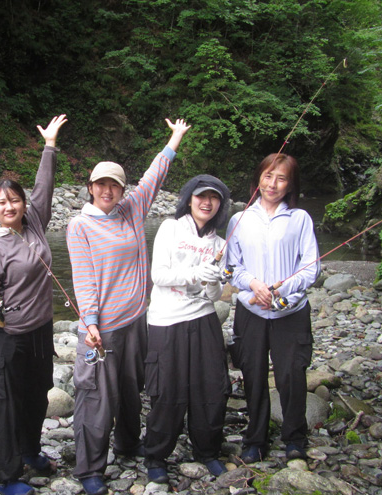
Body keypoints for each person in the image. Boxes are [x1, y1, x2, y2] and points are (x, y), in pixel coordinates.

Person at [66, 118, 191, 495]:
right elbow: (83, 278)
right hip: (101, 329)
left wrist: (175, 139)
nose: (108, 190)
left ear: (123, 189)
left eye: (114, 184)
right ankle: (90, 469)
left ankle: (127, 443)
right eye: (101, 184)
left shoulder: (133, 208)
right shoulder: (79, 226)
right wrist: (89, 322)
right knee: (97, 399)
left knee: (132, 389)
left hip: (137, 320)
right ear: (90, 188)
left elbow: (154, 175)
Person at [0, 114, 67, 495]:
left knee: (37, 393)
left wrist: (49, 146)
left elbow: (44, 186)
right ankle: (6, 477)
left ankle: (31, 451)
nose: (9, 206)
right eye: (2, 202)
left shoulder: (35, 223)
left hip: (40, 331)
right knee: (6, 404)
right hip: (7, 338)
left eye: (14, 199)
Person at [225, 153, 319, 464]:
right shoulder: (239, 220)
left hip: (290, 311)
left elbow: (310, 268)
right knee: (252, 374)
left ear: (290, 184)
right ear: (258, 179)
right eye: (268, 176)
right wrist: (254, 285)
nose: (272, 184)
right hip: (251, 310)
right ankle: (255, 438)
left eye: (280, 178)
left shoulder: (300, 219)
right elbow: (231, 268)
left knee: (291, 374)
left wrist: (280, 288)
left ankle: (295, 437)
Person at [143, 174, 232, 483]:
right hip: (167, 321)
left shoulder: (220, 243)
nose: (206, 202)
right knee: (166, 390)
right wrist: (196, 272)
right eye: (201, 196)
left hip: (204, 320)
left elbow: (213, 296)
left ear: (220, 205)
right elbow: (159, 276)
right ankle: (156, 454)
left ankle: (207, 451)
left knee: (211, 387)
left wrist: (212, 280)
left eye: (214, 198)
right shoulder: (170, 227)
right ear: (189, 199)